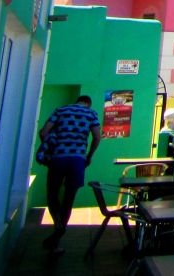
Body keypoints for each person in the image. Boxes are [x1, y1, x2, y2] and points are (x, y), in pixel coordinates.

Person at [39, 95, 101, 253]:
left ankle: (57, 224)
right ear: (88, 103)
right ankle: (58, 237)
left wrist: (51, 146)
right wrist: (89, 155)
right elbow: (96, 136)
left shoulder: (60, 110)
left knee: (52, 194)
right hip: (77, 160)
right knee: (69, 198)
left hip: (58, 158)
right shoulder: (91, 114)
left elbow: (43, 132)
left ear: (78, 101)